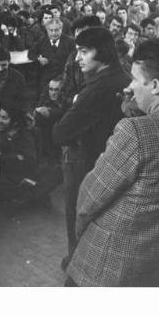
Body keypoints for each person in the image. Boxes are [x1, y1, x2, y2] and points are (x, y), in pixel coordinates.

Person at [66, 38, 159, 287]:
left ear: (155, 85)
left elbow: (90, 195)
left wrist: (80, 232)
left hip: (109, 267)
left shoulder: (136, 132)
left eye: (135, 79)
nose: (129, 86)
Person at [53, 27, 129, 270]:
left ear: (103, 52)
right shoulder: (123, 78)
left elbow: (60, 132)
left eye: (84, 52)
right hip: (113, 162)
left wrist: (75, 104)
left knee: (78, 213)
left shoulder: (96, 88)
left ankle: (77, 261)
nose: (77, 58)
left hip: (84, 161)